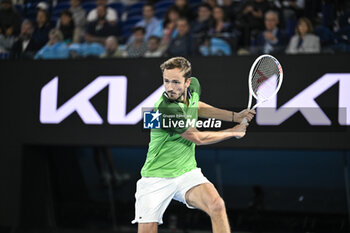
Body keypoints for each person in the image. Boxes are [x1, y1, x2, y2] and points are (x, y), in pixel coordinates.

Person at [132, 56, 255, 233]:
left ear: (188, 82)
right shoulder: (167, 108)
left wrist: (234, 116)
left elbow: (197, 105)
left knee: (216, 205)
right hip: (156, 177)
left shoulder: (194, 87)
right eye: (166, 81)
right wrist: (233, 131)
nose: (170, 87)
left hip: (186, 172)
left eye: (175, 82)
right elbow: (198, 138)